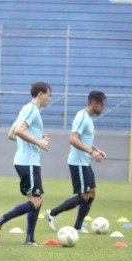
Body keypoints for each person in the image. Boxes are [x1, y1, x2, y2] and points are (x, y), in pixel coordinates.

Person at [0, 82, 52, 246]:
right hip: (28, 162)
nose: (49, 99)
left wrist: (36, 136)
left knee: (38, 199)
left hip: (24, 161)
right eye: (48, 94)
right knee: (35, 202)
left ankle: (29, 239)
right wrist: (38, 142)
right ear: (40, 94)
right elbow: (18, 131)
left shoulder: (25, 108)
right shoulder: (32, 110)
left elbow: (11, 134)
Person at [44, 91, 107, 232]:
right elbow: (73, 139)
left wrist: (97, 149)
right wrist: (92, 152)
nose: (103, 108)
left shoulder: (89, 118)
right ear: (95, 103)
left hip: (85, 162)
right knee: (84, 195)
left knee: (92, 193)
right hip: (78, 162)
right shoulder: (82, 117)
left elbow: (84, 139)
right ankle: (52, 213)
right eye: (102, 105)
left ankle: (78, 227)